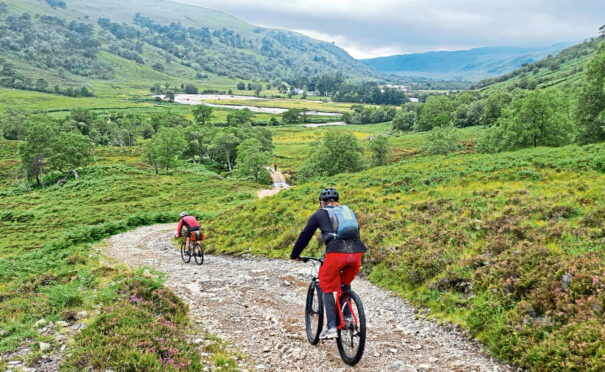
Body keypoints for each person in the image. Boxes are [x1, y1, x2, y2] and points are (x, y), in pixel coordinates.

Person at [290, 187, 366, 339]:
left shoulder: (320, 214)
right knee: (344, 284)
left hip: (337, 253)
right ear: (337, 202)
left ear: (322, 203)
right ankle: (347, 318)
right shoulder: (347, 212)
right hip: (357, 253)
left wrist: (295, 254)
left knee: (326, 284)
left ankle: (331, 326)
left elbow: (305, 235)